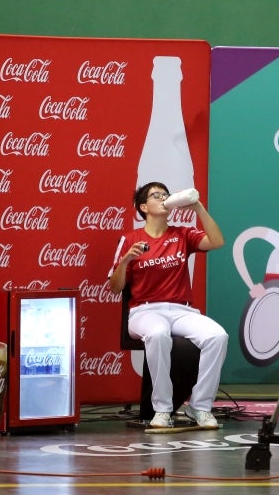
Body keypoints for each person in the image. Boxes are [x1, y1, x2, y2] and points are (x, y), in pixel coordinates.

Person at [109, 182, 228, 429]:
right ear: (143, 207)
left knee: (218, 336)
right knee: (158, 333)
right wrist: (126, 260)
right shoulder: (130, 239)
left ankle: (200, 406)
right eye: (156, 195)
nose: (163, 198)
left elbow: (217, 242)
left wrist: (198, 207)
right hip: (145, 311)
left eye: (166, 195)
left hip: (181, 310)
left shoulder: (182, 234)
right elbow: (115, 287)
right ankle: (162, 409)